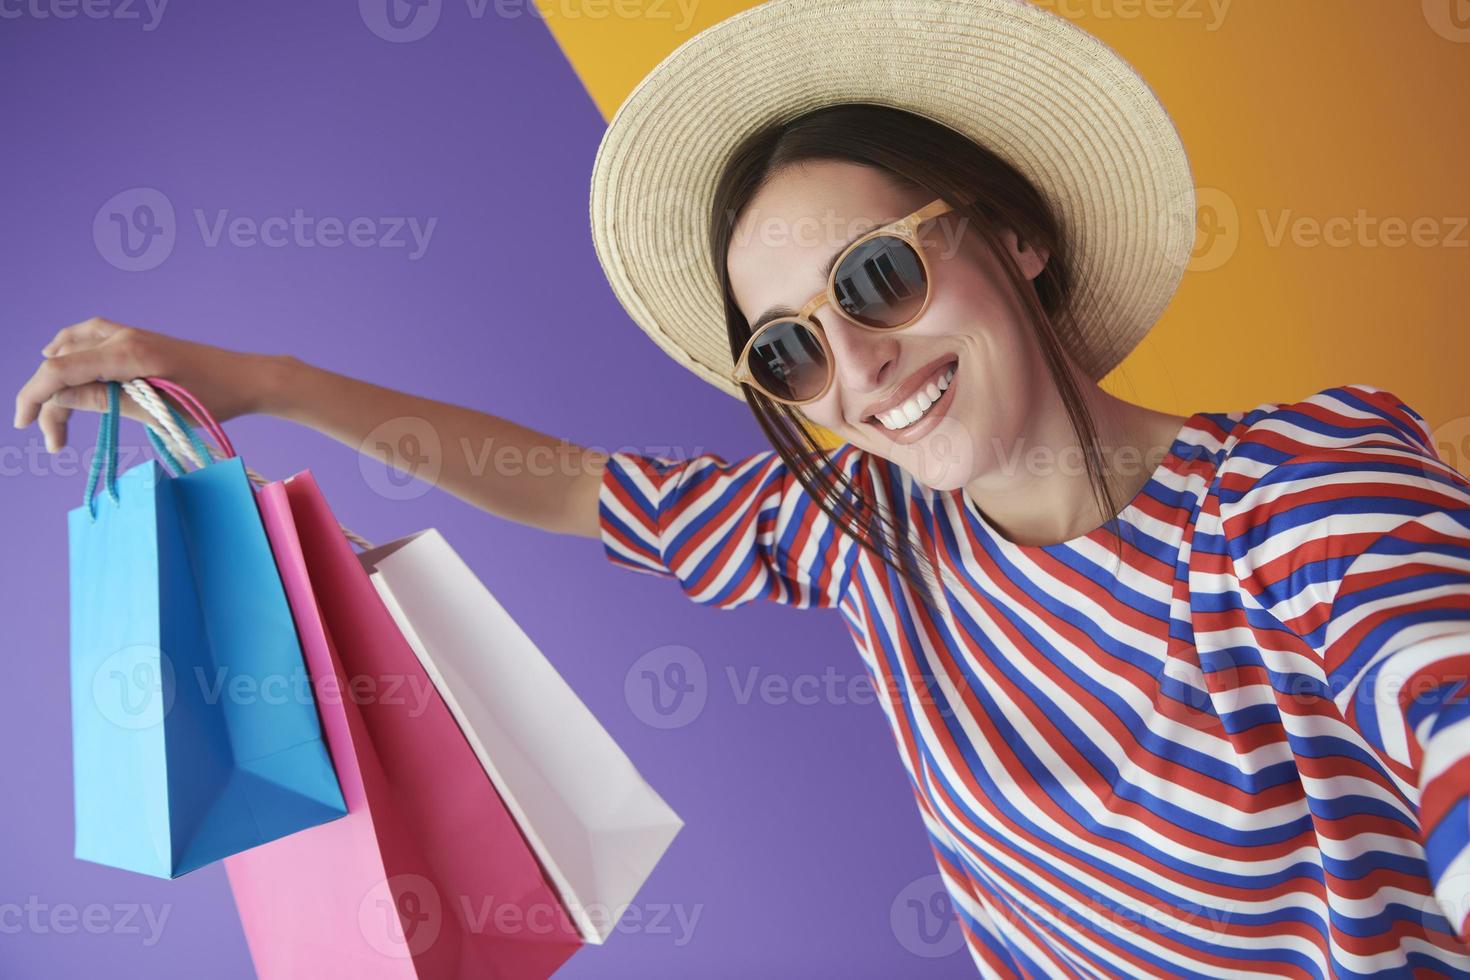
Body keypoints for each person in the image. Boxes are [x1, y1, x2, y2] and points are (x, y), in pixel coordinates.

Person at [15, 0, 1470, 975]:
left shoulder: (1298, 492)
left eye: (879, 275)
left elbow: (1437, 688)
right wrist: (267, 381)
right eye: (790, 348)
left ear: (1013, 236)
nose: (858, 367)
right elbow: (576, 487)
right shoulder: (865, 537)